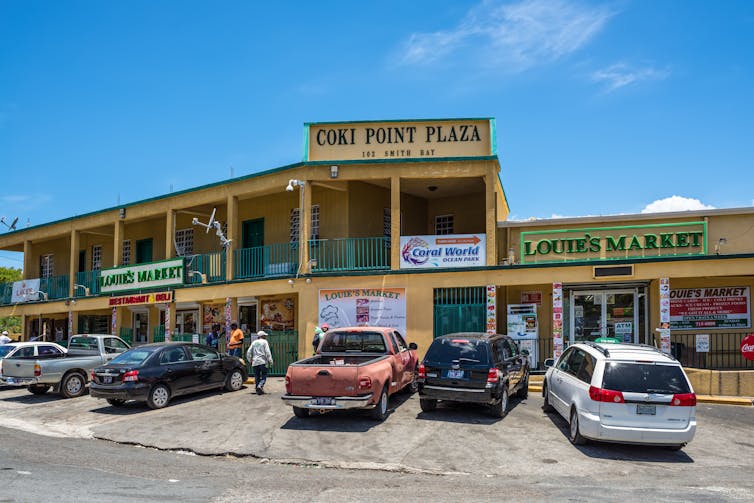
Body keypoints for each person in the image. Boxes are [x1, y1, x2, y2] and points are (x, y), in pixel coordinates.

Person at [246, 330, 273, 395]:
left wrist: (250, 360)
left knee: (257, 376)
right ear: (262, 336)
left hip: (255, 362)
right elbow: (267, 352)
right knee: (264, 375)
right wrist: (271, 361)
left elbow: (248, 352)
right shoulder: (264, 342)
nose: (265, 337)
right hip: (262, 362)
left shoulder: (254, 342)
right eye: (265, 336)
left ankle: (258, 389)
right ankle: (260, 386)